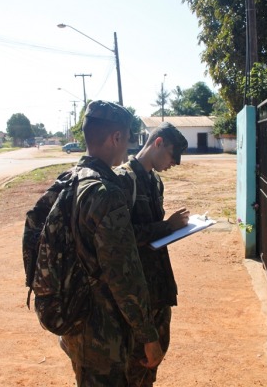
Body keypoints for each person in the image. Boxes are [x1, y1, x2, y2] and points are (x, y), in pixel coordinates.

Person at [58, 100, 163, 386]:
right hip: (104, 333)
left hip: (73, 320)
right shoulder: (106, 193)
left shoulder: (68, 182)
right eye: (128, 139)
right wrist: (148, 336)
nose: (128, 146)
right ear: (116, 138)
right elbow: (123, 276)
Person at [115, 122, 189, 386]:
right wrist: (167, 226)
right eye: (172, 156)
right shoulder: (122, 181)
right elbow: (119, 238)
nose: (174, 164)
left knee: (152, 365)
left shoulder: (155, 182)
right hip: (137, 292)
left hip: (159, 288)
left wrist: (175, 230)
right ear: (158, 143)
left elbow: (153, 233)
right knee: (135, 364)